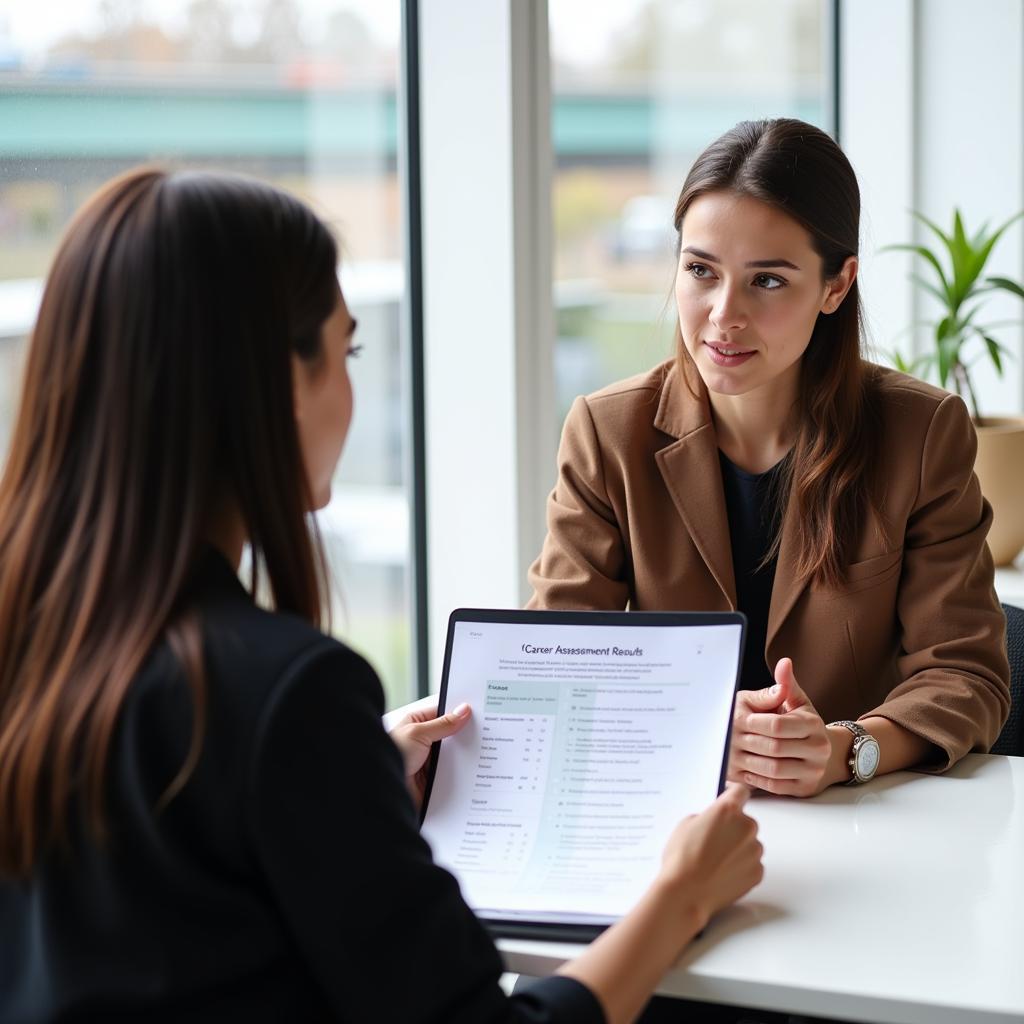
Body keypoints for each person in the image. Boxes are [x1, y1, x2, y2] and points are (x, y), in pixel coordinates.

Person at [0, 168, 763, 1024]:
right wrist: (682, 894)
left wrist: (343, 777)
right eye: (346, 348)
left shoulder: (38, 639)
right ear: (284, 383)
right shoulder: (282, 695)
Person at [529, 118, 1010, 797]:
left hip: (860, 823)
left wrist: (848, 748)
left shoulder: (922, 433)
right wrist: (693, 726)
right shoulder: (608, 433)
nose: (724, 315)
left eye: (769, 281)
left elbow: (966, 674)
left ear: (837, 286)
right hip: (664, 812)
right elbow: (559, 663)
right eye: (700, 271)